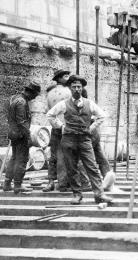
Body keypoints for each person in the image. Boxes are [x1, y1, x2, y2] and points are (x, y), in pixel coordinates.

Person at [46, 75, 113, 204]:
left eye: (79, 87)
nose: (77, 89)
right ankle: (77, 195)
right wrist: (61, 127)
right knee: (72, 168)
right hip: (69, 140)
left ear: (82, 88)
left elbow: (102, 116)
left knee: (92, 166)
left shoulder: (89, 104)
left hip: (84, 139)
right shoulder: (63, 104)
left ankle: (99, 195)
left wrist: (91, 128)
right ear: (70, 89)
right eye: (74, 87)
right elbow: (50, 115)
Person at [4, 82, 41, 194]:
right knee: (22, 159)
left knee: (14, 158)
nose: (34, 98)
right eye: (34, 95)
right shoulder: (22, 102)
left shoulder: (15, 98)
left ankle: (7, 184)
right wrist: (28, 136)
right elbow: (22, 122)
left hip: (14, 134)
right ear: (30, 92)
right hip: (20, 135)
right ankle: (18, 185)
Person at [43, 69, 71, 192]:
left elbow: (46, 110)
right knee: (65, 155)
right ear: (59, 78)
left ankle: (50, 182)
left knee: (53, 155)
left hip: (55, 127)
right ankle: (63, 183)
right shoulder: (68, 91)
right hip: (66, 127)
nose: (68, 78)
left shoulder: (49, 92)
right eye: (66, 76)